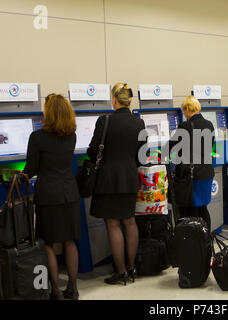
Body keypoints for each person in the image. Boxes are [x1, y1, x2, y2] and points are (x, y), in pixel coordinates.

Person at [23, 94, 81, 300]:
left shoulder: (37, 138)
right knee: (69, 242)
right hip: (69, 194)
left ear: (49, 113)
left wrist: (18, 178)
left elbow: (31, 169)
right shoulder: (71, 135)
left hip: (48, 196)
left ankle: (55, 290)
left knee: (48, 243)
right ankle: (73, 289)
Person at [88, 83, 145, 285]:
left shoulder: (105, 121)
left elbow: (93, 151)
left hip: (108, 180)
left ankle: (120, 272)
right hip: (130, 178)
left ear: (114, 100)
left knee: (113, 224)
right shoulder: (139, 123)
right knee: (129, 222)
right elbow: (142, 156)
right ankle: (132, 268)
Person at [169, 95, 215, 229]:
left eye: (183, 110)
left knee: (192, 211)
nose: (183, 113)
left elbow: (171, 147)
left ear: (188, 108)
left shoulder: (186, 126)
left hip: (192, 176)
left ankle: (194, 244)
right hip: (206, 173)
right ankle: (206, 242)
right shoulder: (209, 124)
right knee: (202, 209)